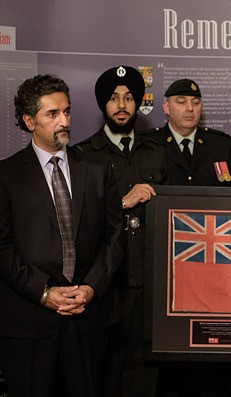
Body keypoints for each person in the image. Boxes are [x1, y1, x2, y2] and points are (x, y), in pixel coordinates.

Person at [0, 74, 124, 396]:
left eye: (67, 112)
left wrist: (92, 288)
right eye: (52, 114)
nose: (64, 121)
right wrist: (44, 293)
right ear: (29, 121)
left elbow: (114, 236)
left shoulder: (98, 169)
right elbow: (2, 246)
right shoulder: (6, 176)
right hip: (29, 322)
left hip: (89, 320)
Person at [75, 65, 165, 396]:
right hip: (105, 279)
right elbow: (77, 218)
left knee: (144, 364)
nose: (122, 105)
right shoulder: (83, 155)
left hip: (147, 273)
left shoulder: (157, 151)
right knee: (106, 364)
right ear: (104, 105)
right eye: (114, 98)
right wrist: (123, 202)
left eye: (129, 98)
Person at [145, 78, 231, 186]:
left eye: (196, 103)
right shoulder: (149, 144)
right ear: (167, 107)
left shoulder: (222, 145)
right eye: (181, 102)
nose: (190, 108)